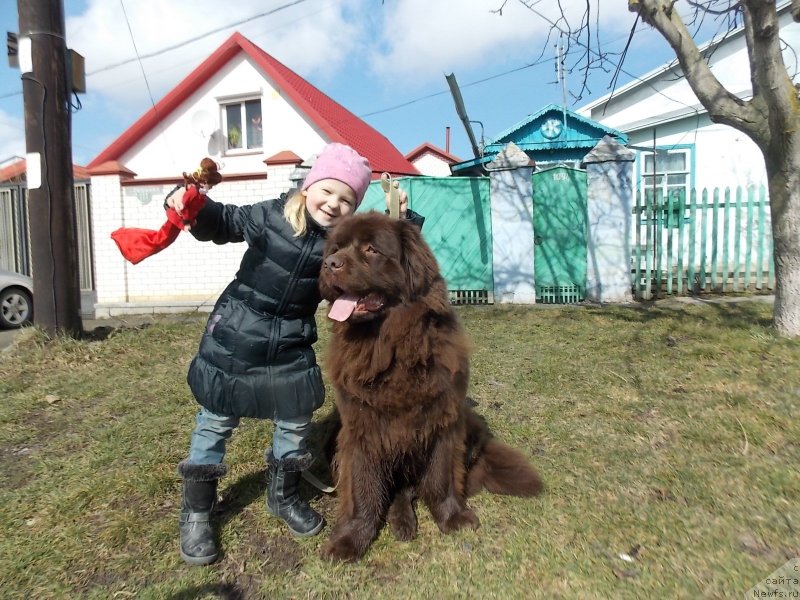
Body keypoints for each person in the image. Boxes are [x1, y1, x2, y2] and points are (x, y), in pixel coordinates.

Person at [171, 143, 423, 566]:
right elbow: (224, 221)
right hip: (236, 333)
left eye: (346, 199)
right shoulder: (271, 215)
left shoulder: (342, 246)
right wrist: (194, 207)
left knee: (294, 419)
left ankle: (282, 496)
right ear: (309, 187)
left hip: (290, 340)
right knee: (216, 422)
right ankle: (196, 512)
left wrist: (402, 219)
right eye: (328, 191)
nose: (334, 203)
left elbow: (392, 257)